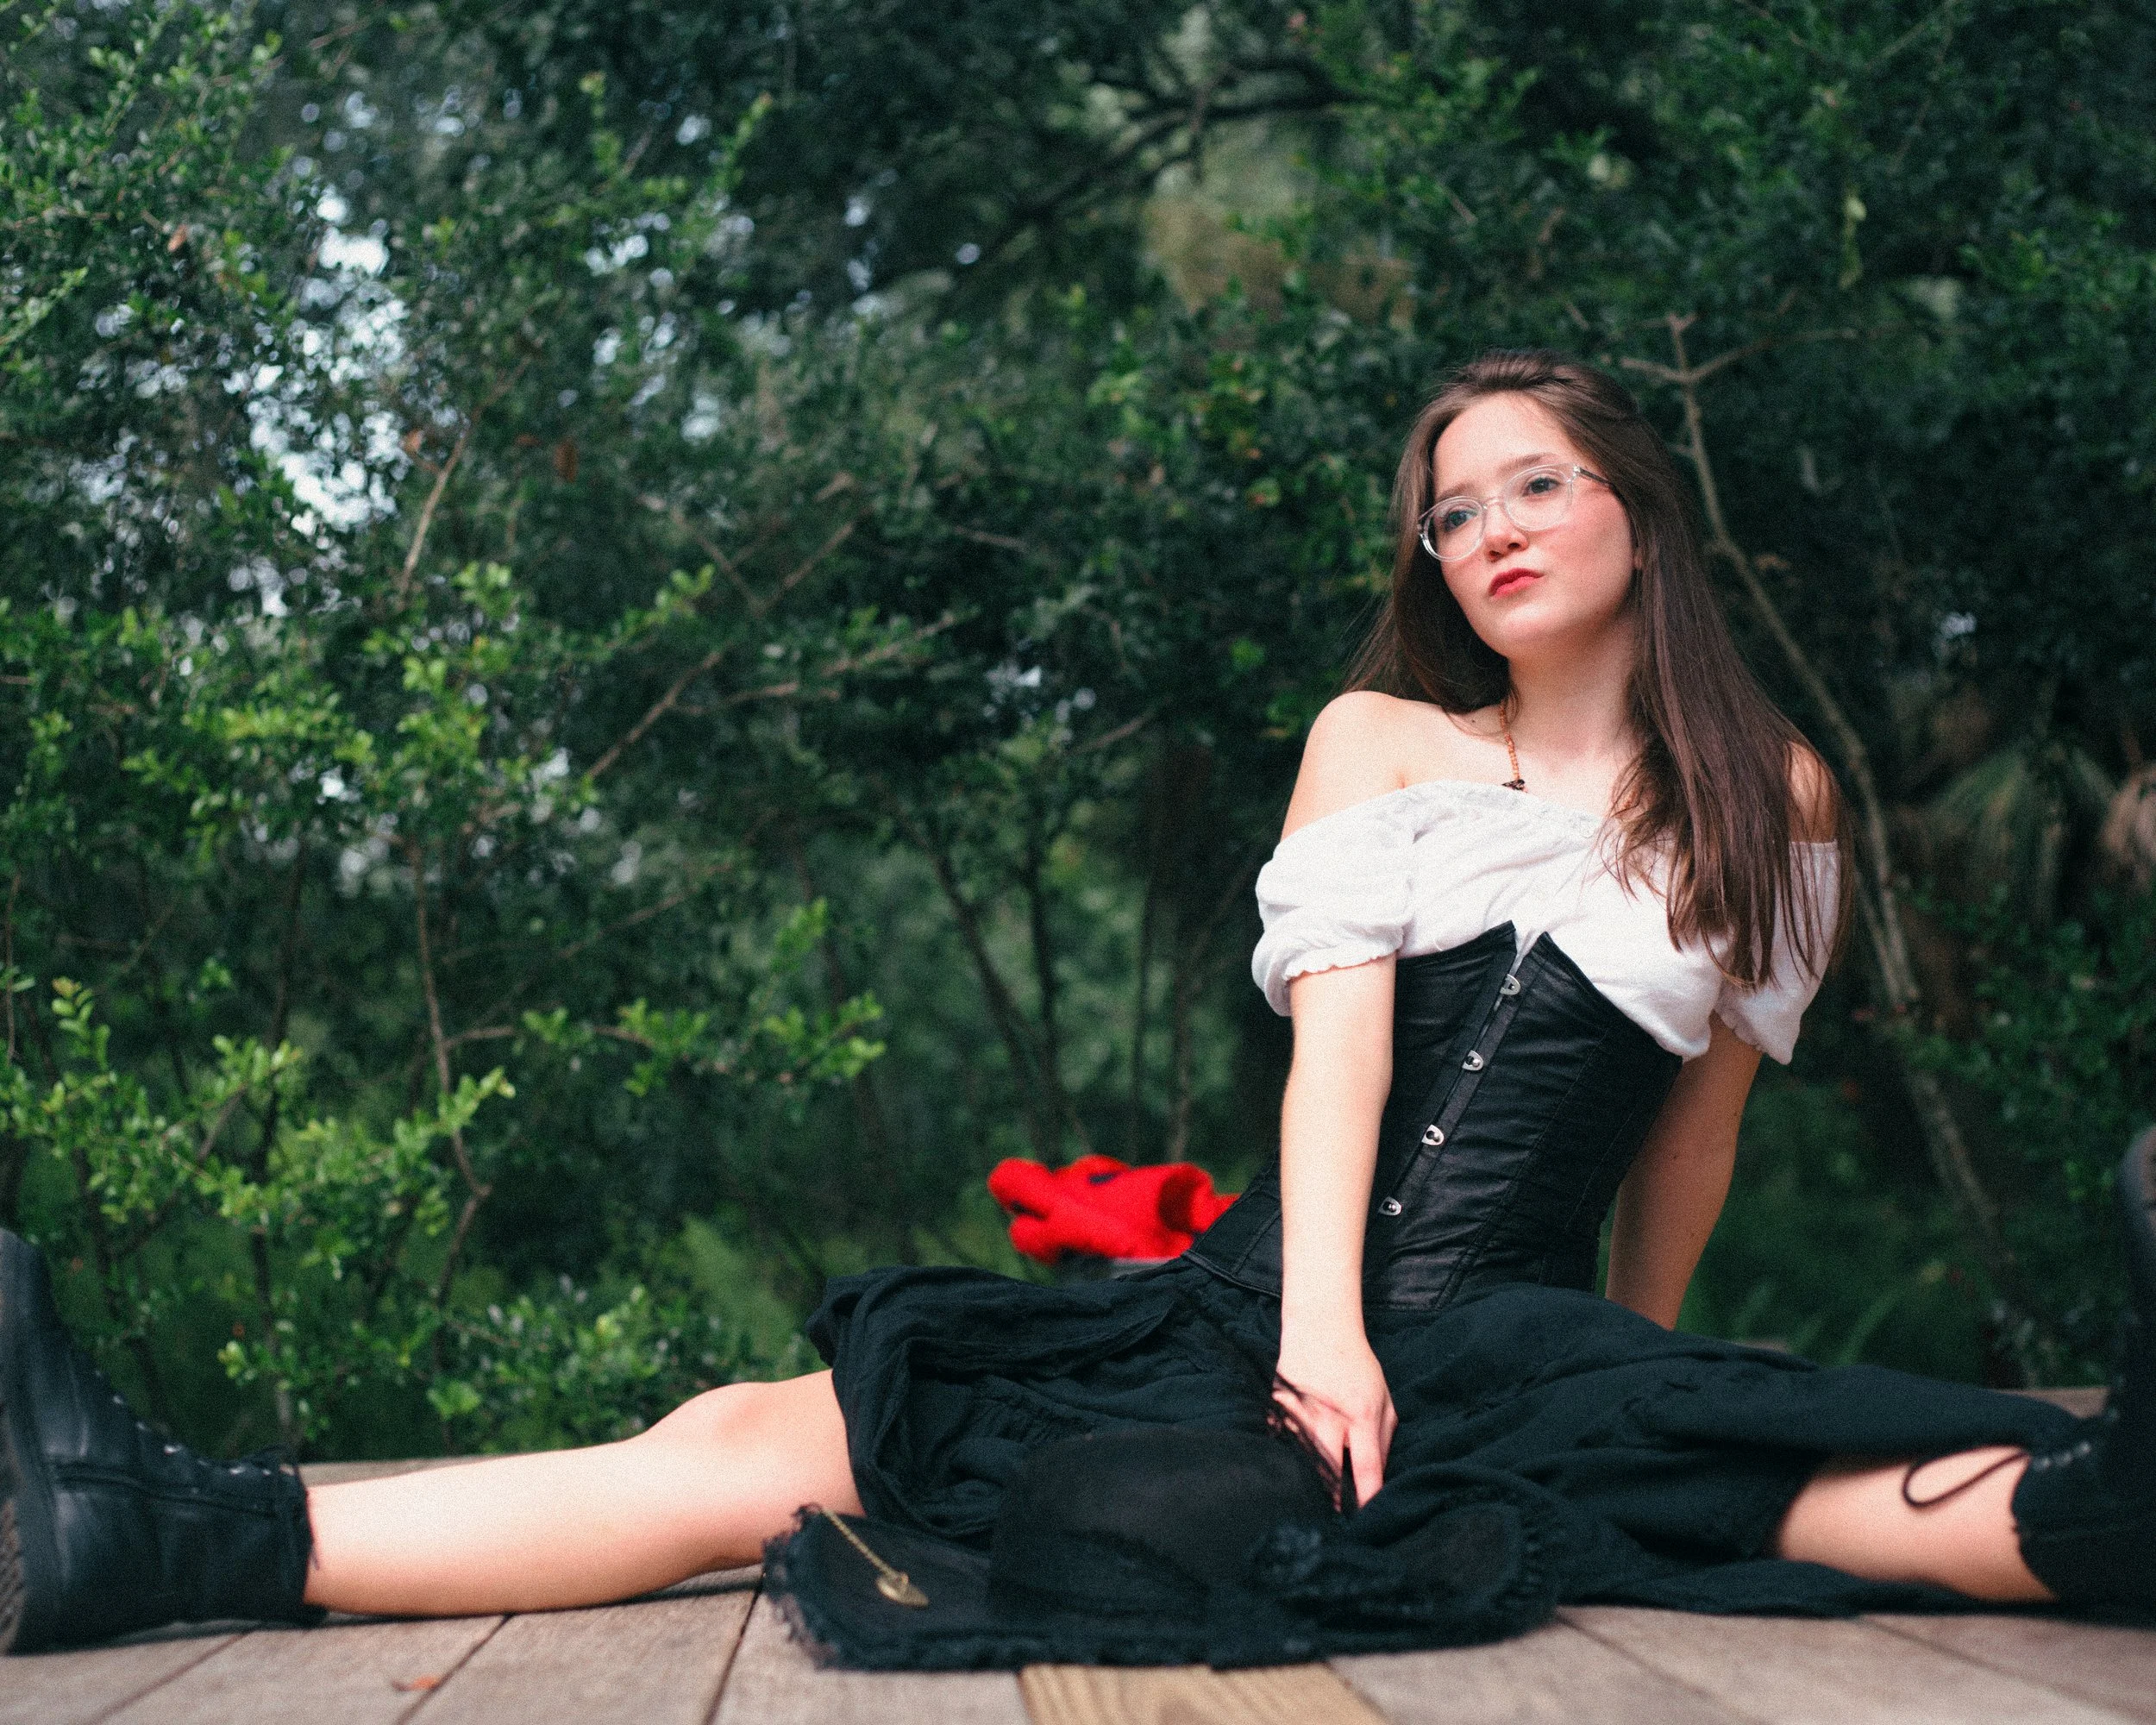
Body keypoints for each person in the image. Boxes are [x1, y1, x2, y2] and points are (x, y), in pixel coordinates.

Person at [3, 349, 2152, 1659]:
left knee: (1752, 1470)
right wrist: (1316, 1328)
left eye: (1534, 481)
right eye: (1451, 506)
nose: (1487, 525)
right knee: (751, 1445)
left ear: (1632, 507)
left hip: (1506, 1327)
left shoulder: (1764, 793)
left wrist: (1639, 1370)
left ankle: (2104, 1510)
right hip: (1274, 1303)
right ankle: (165, 1522)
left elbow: (1696, 1130)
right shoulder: (1379, 741)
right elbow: (1341, 1072)